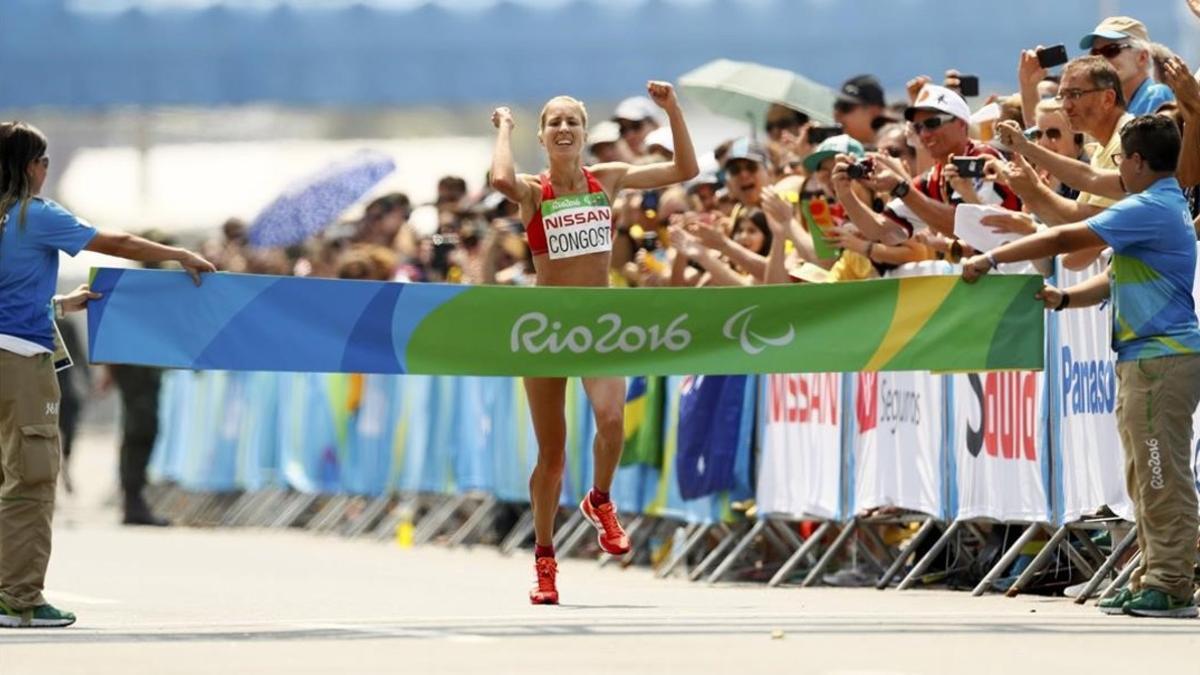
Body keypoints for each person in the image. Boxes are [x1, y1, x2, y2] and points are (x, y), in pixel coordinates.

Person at [962, 115, 1200, 618]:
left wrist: (992, 258)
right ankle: (1155, 572)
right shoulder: (1160, 203)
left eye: (1118, 162)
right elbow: (1114, 275)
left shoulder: (1151, 206)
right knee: (1142, 478)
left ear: (1136, 161)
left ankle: (1172, 583)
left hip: (1162, 359)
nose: (1116, 172)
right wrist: (1066, 298)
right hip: (1145, 358)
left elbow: (1063, 238)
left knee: (1161, 476)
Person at [0, 121, 215, 628]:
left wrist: (56, 303)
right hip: (20, 363)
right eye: (44, 161)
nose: (47, 170)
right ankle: (20, 599)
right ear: (31, 166)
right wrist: (177, 253)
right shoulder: (33, 215)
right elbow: (112, 241)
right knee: (30, 479)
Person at [490, 82, 698, 605]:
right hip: (545, 331)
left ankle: (600, 499)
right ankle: (544, 560)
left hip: (598, 324)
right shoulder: (535, 190)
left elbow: (683, 170)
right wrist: (505, 128)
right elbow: (498, 179)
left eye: (572, 122)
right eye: (554, 122)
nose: (563, 128)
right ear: (543, 136)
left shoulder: (607, 178)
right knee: (552, 455)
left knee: (611, 419)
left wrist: (672, 110)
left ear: (584, 133)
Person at [1079, 16, 1175, 115]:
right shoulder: (1114, 106)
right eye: (1095, 54)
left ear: (1142, 57)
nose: (1101, 60)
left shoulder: (1156, 96)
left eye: (1111, 50)